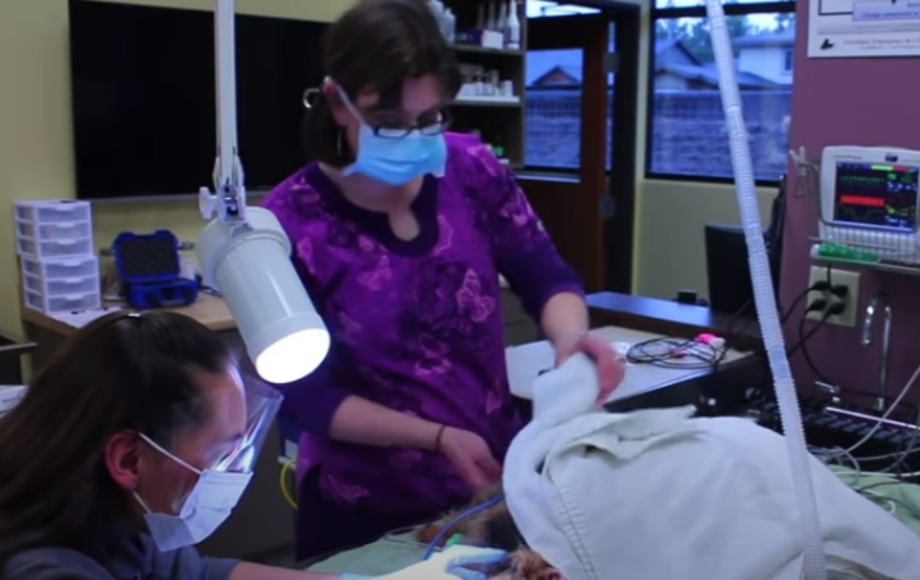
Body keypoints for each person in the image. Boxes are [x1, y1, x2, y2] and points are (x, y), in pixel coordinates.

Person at [262, 0, 626, 561]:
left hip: (491, 493)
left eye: (430, 118)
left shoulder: (472, 170)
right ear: (337, 103)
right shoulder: (291, 220)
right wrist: (435, 437)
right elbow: (310, 397)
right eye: (391, 123)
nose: (415, 137)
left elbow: (544, 272)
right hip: (362, 508)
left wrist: (571, 340)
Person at [0, 310, 505, 580]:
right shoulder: (41, 567)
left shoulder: (111, 513)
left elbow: (199, 575)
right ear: (128, 459)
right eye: (223, 452)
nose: (234, 472)